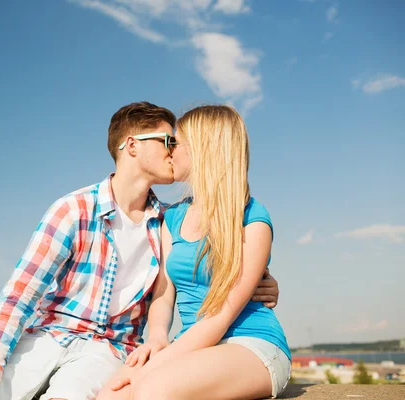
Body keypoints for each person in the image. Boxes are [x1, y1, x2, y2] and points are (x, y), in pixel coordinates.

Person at [0, 102, 280, 400]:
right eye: (167, 141)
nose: (171, 151)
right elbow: (18, 297)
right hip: (51, 335)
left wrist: (259, 280)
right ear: (131, 145)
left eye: (176, 143)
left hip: (112, 350)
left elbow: (215, 272)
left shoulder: (169, 219)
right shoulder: (82, 211)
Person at [98, 105, 291, 400]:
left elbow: (219, 318)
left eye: (175, 142)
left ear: (202, 149)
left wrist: (144, 370)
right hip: (195, 347)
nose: (170, 151)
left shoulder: (251, 219)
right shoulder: (172, 217)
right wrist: (159, 336)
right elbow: (163, 290)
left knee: (152, 390)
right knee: (111, 396)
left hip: (252, 344)